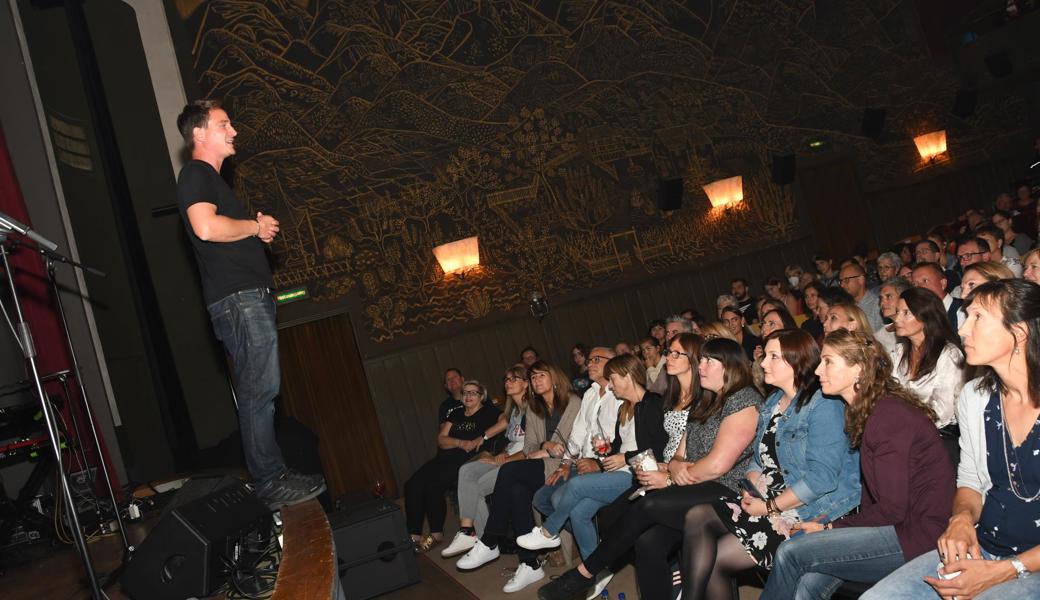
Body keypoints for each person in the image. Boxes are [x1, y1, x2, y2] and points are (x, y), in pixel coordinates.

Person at [174, 100, 324, 508]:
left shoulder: (212, 181)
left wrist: (255, 230)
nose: (234, 131)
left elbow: (223, 228)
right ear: (199, 133)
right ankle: (270, 480)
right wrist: (255, 227)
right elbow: (206, 228)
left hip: (247, 298)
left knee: (264, 390)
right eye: (224, 124)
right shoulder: (195, 174)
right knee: (260, 390)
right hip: (239, 300)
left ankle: (273, 474)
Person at [537, 337, 762, 600]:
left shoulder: (743, 399)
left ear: (729, 365)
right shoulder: (706, 401)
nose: (700, 366)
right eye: (700, 360)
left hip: (727, 490)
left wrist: (669, 478)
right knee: (647, 542)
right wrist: (674, 467)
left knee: (648, 504)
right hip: (693, 485)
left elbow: (717, 465)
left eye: (707, 361)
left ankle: (584, 573)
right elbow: (679, 453)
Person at [864, 279, 1040, 599]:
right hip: (984, 546)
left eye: (978, 318)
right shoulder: (975, 397)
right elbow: (971, 479)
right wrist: (961, 518)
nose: (963, 329)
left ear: (1019, 332)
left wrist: (1006, 570)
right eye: (966, 316)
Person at [760, 329, 956, 598]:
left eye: (828, 361)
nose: (818, 370)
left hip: (918, 536)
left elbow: (892, 509)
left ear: (859, 369)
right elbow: (872, 497)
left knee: (791, 552)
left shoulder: (888, 416)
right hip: (895, 527)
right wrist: (833, 526)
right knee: (808, 580)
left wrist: (831, 528)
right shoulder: (867, 411)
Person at [680, 330, 861, 598]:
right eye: (765, 355)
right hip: (769, 498)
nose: (763, 363)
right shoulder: (774, 401)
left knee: (718, 560)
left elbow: (821, 479)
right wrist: (751, 485)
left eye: (773, 356)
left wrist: (768, 507)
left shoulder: (822, 404)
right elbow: (759, 457)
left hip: (808, 509)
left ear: (796, 361)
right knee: (697, 516)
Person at [516, 354, 667, 560]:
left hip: (635, 474)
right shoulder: (625, 407)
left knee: (574, 486)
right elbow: (617, 445)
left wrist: (624, 457)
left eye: (613, 379)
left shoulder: (651, 403)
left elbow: (657, 448)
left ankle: (548, 531)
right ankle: (595, 567)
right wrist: (606, 450)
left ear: (628, 376)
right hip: (616, 470)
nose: (611, 385)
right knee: (578, 512)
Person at [456, 361, 581, 593]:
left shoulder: (572, 402)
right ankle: (529, 563)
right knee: (516, 491)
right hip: (542, 463)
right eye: (533, 377)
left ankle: (490, 540)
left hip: (569, 465)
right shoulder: (534, 408)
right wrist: (546, 445)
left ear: (554, 378)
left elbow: (576, 443)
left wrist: (549, 450)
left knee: (509, 471)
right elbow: (530, 447)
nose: (536, 380)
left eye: (541, 375)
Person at [442, 365, 531, 558]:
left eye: (513, 379)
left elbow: (532, 447)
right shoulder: (513, 411)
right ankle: (475, 536)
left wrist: (504, 457)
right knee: (467, 475)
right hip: (506, 456)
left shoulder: (532, 408)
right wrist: (499, 454)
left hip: (521, 462)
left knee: (470, 482)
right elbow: (511, 440)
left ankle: (482, 541)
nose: (507, 383)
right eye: (506, 379)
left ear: (526, 383)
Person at [405, 380, 501, 552]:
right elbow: (441, 439)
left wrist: (483, 437)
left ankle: (436, 534)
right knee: (412, 484)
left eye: (473, 392)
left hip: (467, 461)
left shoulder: (489, 412)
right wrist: (460, 442)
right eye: (465, 392)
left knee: (433, 486)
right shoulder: (456, 413)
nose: (468, 396)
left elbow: (506, 421)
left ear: (482, 396)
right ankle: (413, 536)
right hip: (443, 458)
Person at [889, 288, 965, 430]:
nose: (897, 319)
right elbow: (889, 393)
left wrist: (903, 424)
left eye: (906, 313)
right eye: (897, 312)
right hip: (902, 429)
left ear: (926, 317)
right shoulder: (899, 353)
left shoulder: (948, 354)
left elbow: (943, 412)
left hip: (935, 433)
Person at [911, 262, 963, 329]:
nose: (919, 287)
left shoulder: (962, 310)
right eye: (914, 284)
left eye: (925, 281)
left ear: (943, 284)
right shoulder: (918, 315)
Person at [839, 263, 884, 331]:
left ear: (861, 280)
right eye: (840, 281)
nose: (842, 285)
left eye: (846, 280)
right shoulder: (845, 306)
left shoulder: (877, 304)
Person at [874, 277, 911, 351]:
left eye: (889, 296)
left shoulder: (916, 329)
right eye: (881, 298)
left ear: (903, 298)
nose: (882, 303)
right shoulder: (878, 336)